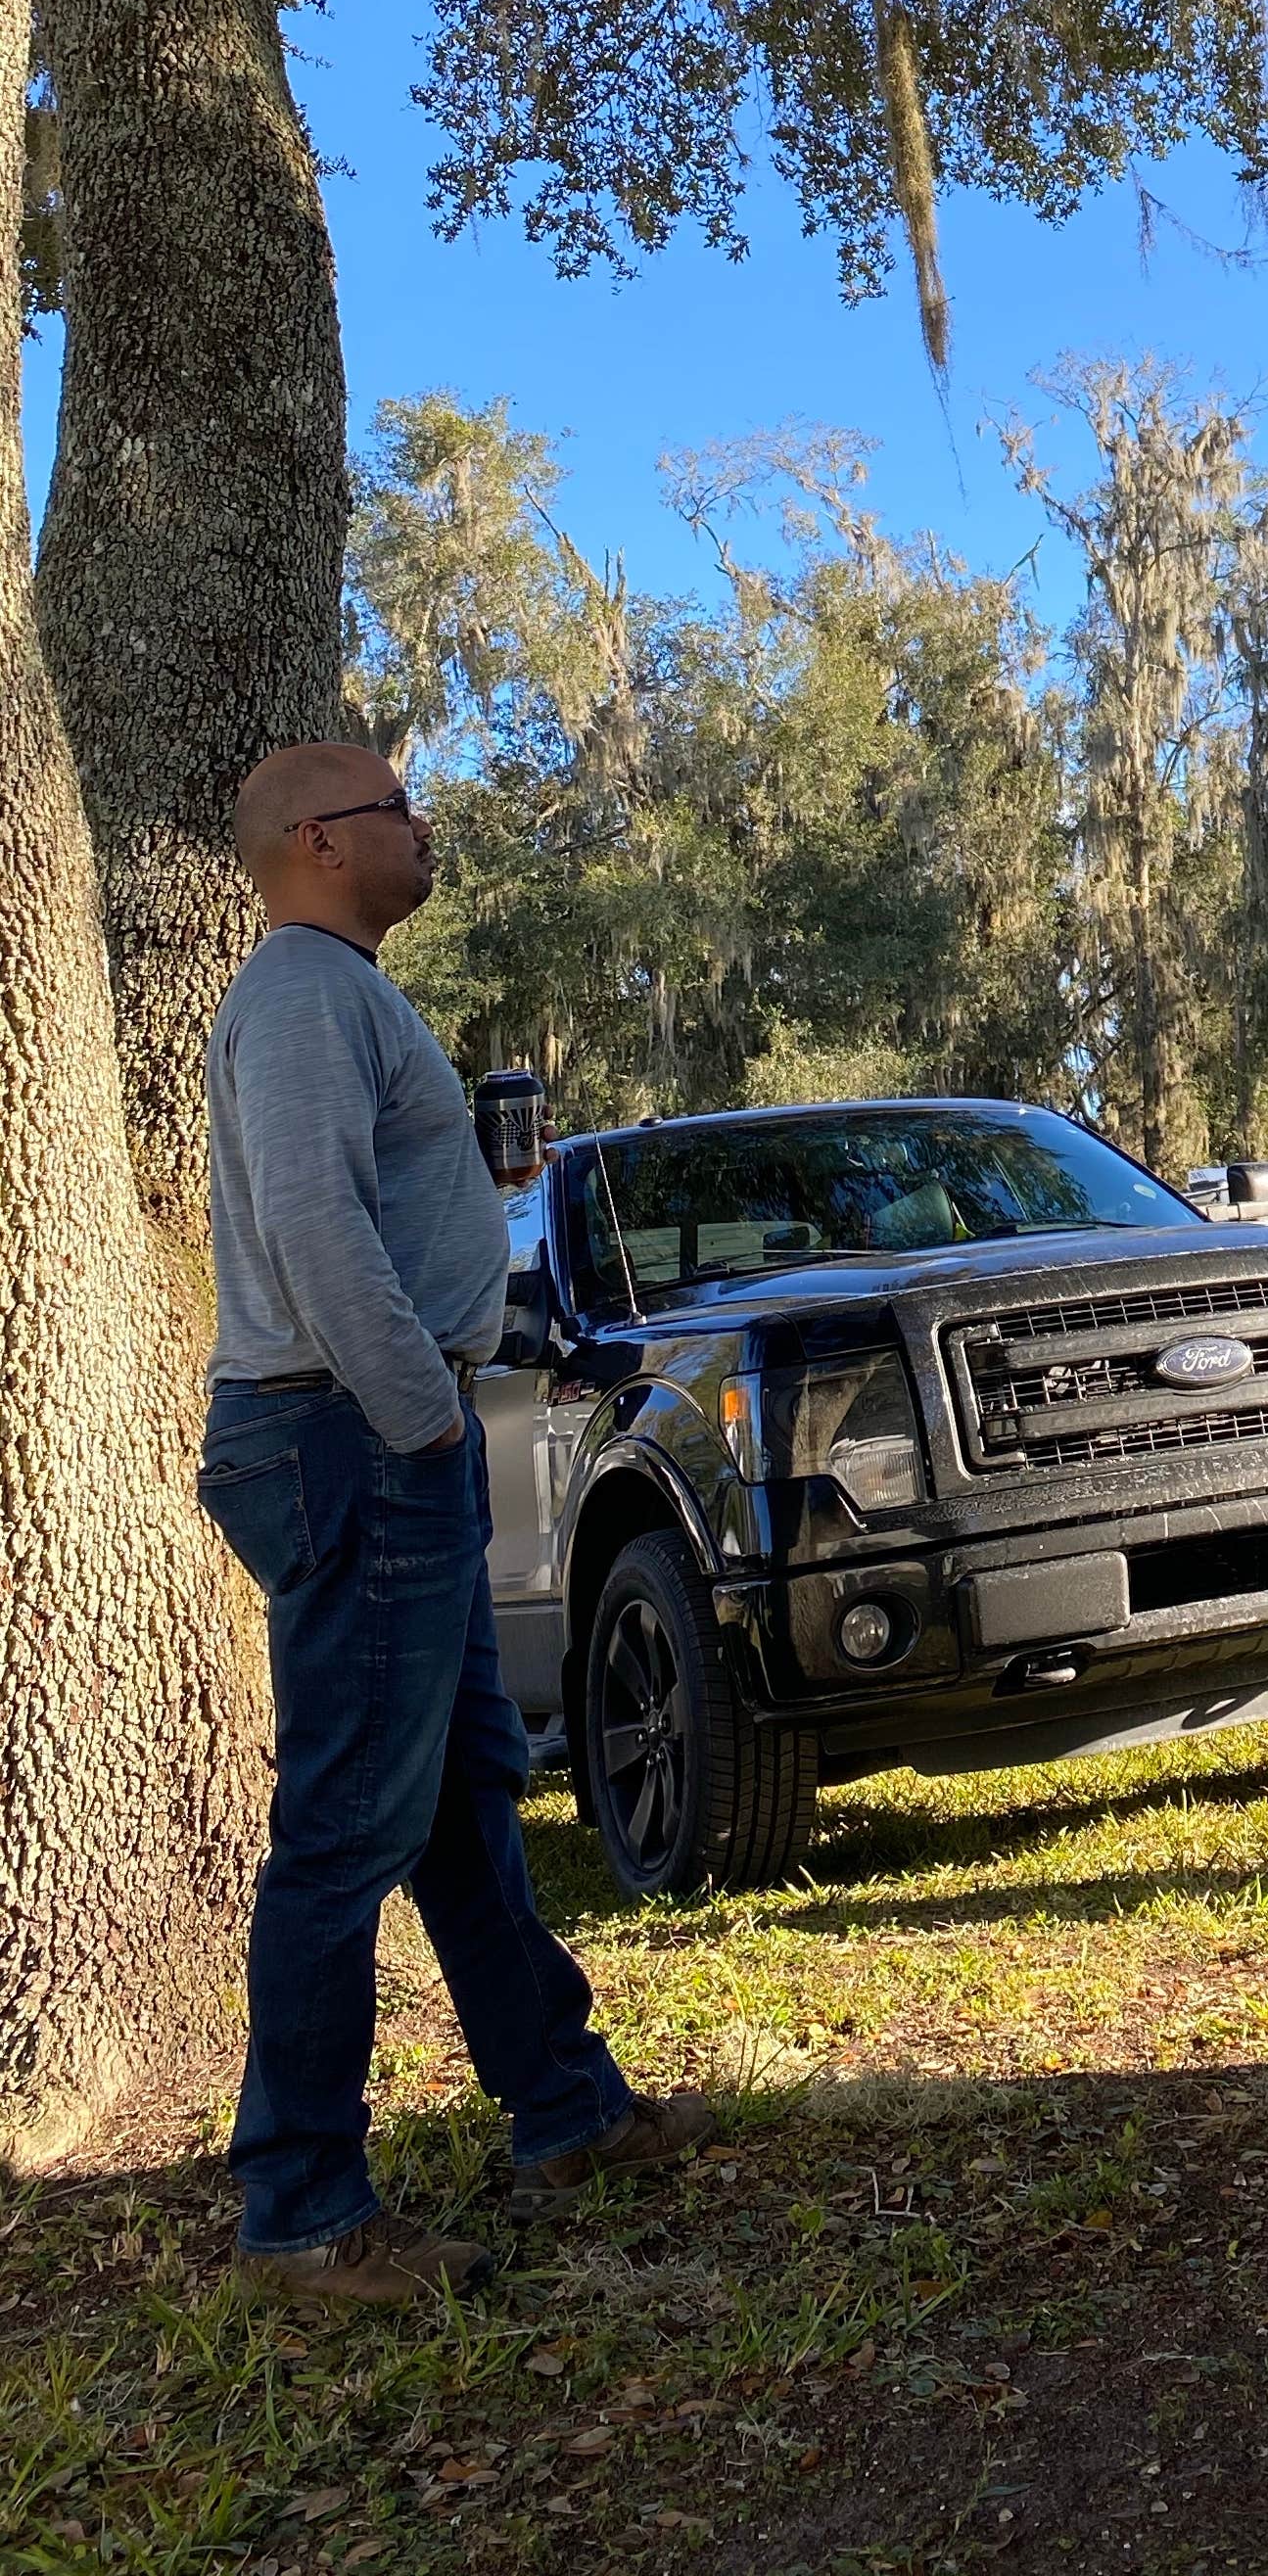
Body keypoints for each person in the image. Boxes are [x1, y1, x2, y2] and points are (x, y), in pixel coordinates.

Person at [198, 741, 704, 2305]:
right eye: (400, 811)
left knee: (465, 1792)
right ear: (320, 840)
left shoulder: (339, 992)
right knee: (348, 1827)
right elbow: (310, 1218)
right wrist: (422, 1411)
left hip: (373, 1433)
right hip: (352, 1436)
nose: (426, 831)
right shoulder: (302, 991)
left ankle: (563, 2109)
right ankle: (301, 2214)